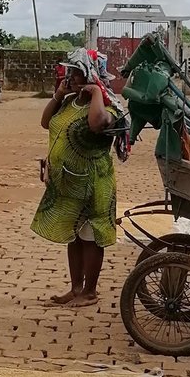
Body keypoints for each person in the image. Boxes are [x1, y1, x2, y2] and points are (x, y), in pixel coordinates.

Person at [32, 49, 120, 307]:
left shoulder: (109, 106)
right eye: (69, 72)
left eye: (76, 72)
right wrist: (59, 94)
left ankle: (90, 291)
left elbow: (96, 124)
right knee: (74, 235)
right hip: (68, 183)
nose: (69, 77)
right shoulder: (69, 102)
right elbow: (46, 122)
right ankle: (76, 288)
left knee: (91, 236)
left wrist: (95, 93)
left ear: (91, 76)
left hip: (94, 184)